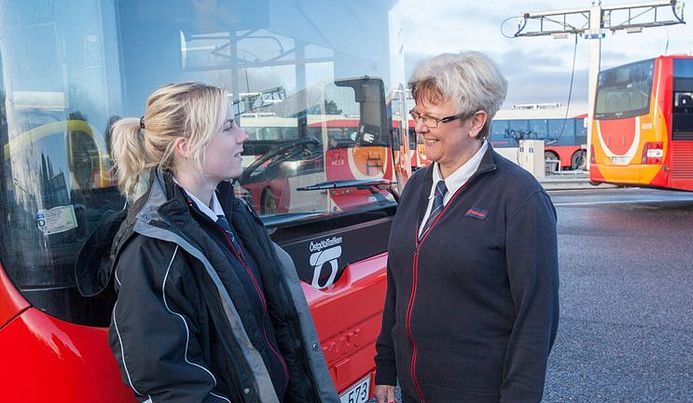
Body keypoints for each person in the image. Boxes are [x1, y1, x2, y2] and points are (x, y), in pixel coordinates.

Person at [105, 82, 339, 402]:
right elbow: (171, 386)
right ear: (186, 146)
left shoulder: (234, 214)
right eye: (228, 127)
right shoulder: (152, 249)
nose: (243, 136)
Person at [373, 52, 559, 403]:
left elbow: (537, 317)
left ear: (476, 122)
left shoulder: (520, 198)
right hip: (416, 393)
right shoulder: (415, 186)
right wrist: (386, 367)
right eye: (418, 114)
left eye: (433, 118)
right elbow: (398, 285)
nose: (420, 127)